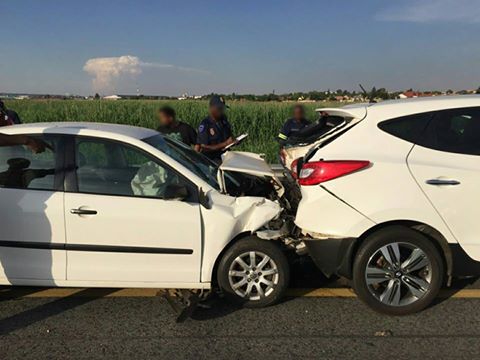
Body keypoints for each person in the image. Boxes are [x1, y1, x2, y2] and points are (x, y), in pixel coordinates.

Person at [196, 95, 235, 161]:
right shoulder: (205, 124)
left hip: (226, 157)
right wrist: (225, 143)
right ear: (212, 108)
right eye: (219, 108)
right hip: (212, 160)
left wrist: (234, 141)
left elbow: (228, 138)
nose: (221, 111)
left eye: (223, 109)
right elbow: (205, 148)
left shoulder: (224, 121)